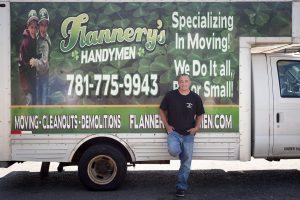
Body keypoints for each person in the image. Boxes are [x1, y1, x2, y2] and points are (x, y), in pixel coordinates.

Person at [159, 74, 205, 197]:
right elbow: (161, 110)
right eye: (181, 81)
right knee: (174, 150)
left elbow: (200, 114)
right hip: (174, 133)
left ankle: (181, 187)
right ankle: (181, 153)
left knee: (186, 162)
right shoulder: (170, 95)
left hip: (189, 134)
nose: (183, 83)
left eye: (186, 81)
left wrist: (196, 128)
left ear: (190, 82)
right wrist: (167, 126)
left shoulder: (195, 97)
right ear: (178, 83)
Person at [30, 8, 51, 105]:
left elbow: (45, 64)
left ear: (47, 26)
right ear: (38, 25)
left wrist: (35, 62)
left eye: (45, 25)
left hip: (43, 77)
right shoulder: (35, 36)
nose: (43, 28)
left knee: (43, 101)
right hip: (35, 76)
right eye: (41, 25)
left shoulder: (46, 42)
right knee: (35, 101)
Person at [18, 9, 39, 105]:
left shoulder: (35, 39)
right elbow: (25, 65)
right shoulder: (25, 42)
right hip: (27, 78)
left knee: (35, 99)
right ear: (28, 27)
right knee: (30, 100)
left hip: (33, 77)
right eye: (32, 27)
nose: (33, 30)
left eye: (35, 27)